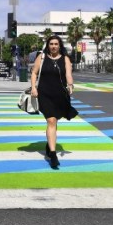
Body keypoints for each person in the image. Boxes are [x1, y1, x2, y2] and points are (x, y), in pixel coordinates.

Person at [30, 35, 76, 169]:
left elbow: (68, 73)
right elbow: (34, 73)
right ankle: (53, 154)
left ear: (60, 45)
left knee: (54, 120)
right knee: (51, 120)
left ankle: (50, 144)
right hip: (45, 94)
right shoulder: (42, 57)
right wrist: (33, 87)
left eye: (56, 44)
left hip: (60, 94)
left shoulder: (65, 59)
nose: (54, 46)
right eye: (51, 44)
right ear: (48, 45)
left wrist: (70, 85)